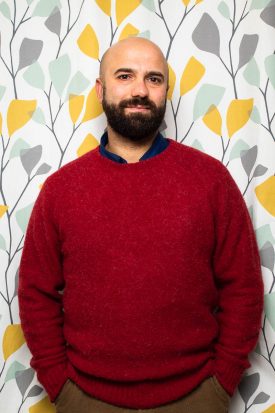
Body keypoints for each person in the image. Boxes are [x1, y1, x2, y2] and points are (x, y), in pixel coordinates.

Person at [18, 37, 263, 413]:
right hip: (86, 399)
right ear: (101, 90)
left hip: (196, 397)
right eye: (124, 76)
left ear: (166, 89)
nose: (139, 90)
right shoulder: (61, 191)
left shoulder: (211, 181)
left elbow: (243, 288)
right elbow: (36, 294)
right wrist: (59, 385)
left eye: (153, 79)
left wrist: (222, 382)